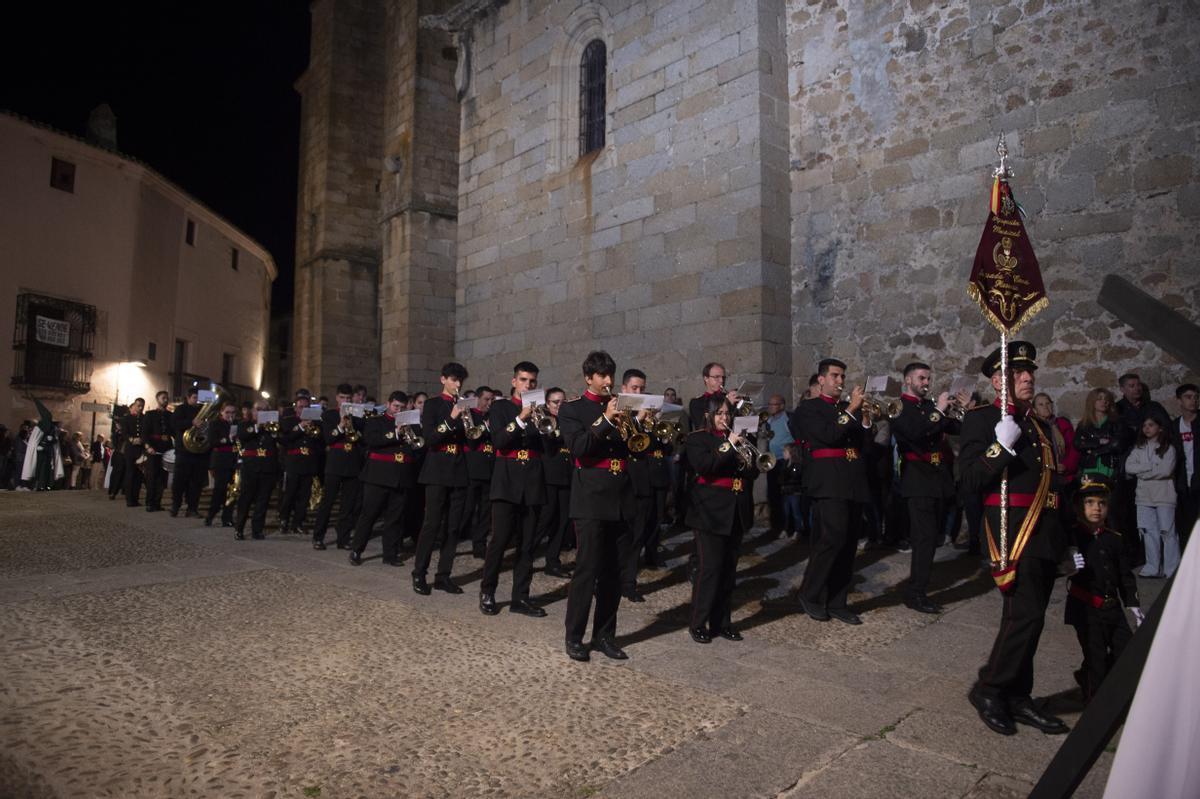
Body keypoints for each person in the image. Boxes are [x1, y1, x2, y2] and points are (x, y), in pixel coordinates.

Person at [962, 341, 1069, 737]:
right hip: (1013, 531)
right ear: (996, 380)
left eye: (1030, 373)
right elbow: (970, 479)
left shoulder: (1038, 424)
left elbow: (1053, 482)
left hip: (1044, 531)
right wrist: (1000, 445)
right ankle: (989, 689)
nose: (1028, 378)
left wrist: (1068, 538)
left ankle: (1019, 694)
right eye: (1017, 373)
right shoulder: (983, 419)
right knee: (1023, 616)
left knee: (1034, 619)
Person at [559, 350, 635, 662]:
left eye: (610, 375)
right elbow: (579, 447)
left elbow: (638, 449)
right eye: (602, 375)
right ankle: (574, 636)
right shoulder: (573, 409)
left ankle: (604, 635)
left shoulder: (621, 407)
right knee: (587, 570)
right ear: (589, 377)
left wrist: (641, 423)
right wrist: (606, 419)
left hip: (620, 496)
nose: (607, 381)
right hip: (589, 497)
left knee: (614, 573)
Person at [794, 358, 871, 625]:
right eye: (836, 376)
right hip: (828, 482)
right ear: (822, 380)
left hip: (852, 479)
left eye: (842, 376)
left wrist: (866, 419)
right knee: (832, 539)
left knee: (849, 544)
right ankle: (810, 593)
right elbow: (828, 435)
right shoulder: (809, 408)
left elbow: (861, 442)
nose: (841, 381)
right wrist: (851, 408)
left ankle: (838, 602)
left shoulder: (844, 409)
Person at [892, 362, 967, 614]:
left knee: (932, 539)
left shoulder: (927, 406)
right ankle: (915, 593)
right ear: (908, 380)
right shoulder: (900, 407)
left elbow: (955, 428)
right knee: (923, 539)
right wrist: (939, 409)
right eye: (921, 378)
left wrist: (964, 410)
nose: (926, 382)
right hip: (917, 479)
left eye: (928, 378)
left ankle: (919, 586)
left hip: (937, 479)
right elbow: (916, 433)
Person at [686, 394, 758, 643]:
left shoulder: (740, 439)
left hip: (736, 509)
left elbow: (753, 471)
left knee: (728, 571)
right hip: (709, 511)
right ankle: (698, 622)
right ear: (708, 415)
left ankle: (722, 623)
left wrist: (745, 454)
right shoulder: (697, 439)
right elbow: (706, 466)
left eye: (727, 413)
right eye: (719, 413)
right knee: (710, 569)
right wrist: (729, 443)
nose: (724, 418)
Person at [479, 362, 549, 618]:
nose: (528, 385)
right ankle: (488, 591)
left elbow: (547, 446)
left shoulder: (540, 411)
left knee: (527, 544)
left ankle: (520, 597)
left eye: (532, 381)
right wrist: (521, 418)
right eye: (523, 380)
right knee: (499, 540)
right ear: (513, 381)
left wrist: (547, 420)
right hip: (506, 480)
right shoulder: (501, 408)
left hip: (532, 481)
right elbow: (498, 440)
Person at [1065, 478, 1141, 703]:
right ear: (1080, 506)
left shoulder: (1114, 539)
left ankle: (1114, 692)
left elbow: (1124, 575)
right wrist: (1066, 566)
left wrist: (1133, 603)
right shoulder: (1074, 536)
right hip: (1086, 608)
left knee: (1127, 652)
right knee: (1095, 656)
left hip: (1112, 608)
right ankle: (1094, 703)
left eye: (1101, 503)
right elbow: (1061, 565)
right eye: (1089, 502)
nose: (1096, 508)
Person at [412, 362, 471, 596]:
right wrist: (452, 417)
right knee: (432, 524)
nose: (458, 385)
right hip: (436, 469)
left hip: (458, 469)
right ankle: (419, 573)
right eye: (454, 380)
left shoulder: (463, 405)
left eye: (460, 381)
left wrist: (470, 422)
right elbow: (430, 438)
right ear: (443, 379)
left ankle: (443, 576)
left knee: (454, 527)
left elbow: (471, 440)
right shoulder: (433, 404)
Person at [350, 391, 418, 567]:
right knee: (369, 515)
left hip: (400, 477)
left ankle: (390, 554)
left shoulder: (412, 425)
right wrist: (395, 433)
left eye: (402, 408)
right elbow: (371, 440)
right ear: (388, 404)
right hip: (378, 476)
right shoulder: (375, 421)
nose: (398, 410)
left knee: (394, 518)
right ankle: (357, 550)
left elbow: (417, 447)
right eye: (396, 406)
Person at [618, 368, 669, 602]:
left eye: (642, 388)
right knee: (620, 536)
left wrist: (657, 425)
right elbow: (624, 442)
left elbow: (657, 447)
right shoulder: (617, 412)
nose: (639, 392)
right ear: (624, 389)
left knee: (638, 535)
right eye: (634, 388)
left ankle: (628, 583)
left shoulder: (647, 417)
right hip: (623, 482)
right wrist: (638, 418)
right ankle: (609, 579)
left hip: (645, 481)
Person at [1125, 412, 1178, 578]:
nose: (1147, 428)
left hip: (1164, 495)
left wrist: (1143, 471)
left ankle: (1172, 568)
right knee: (1148, 531)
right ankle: (1152, 566)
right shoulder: (1138, 449)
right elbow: (1129, 468)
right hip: (1143, 496)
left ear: (1160, 428)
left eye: (1151, 425)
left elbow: (1165, 470)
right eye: (1145, 425)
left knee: (1167, 532)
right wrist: (1150, 466)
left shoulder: (1168, 448)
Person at [312, 384, 364, 550]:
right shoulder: (329, 415)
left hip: (353, 464)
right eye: (342, 398)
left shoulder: (358, 416)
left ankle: (343, 538)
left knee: (348, 505)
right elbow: (328, 438)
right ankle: (318, 537)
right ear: (337, 398)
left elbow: (363, 440)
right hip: (335, 463)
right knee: (328, 503)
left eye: (348, 398)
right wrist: (341, 425)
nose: (346, 401)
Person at [533, 387, 574, 578]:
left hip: (567, 475)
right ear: (547, 404)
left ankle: (553, 561)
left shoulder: (568, 420)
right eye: (555, 402)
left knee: (562, 520)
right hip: (549, 476)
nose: (559, 405)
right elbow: (547, 447)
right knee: (545, 519)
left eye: (562, 401)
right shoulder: (544, 420)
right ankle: (527, 555)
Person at [277, 389, 323, 535]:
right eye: (301, 407)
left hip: (308, 462)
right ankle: (284, 520)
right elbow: (285, 439)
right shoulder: (288, 421)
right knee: (289, 493)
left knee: (304, 496)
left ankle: (298, 522)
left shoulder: (316, 423)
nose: (303, 410)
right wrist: (301, 427)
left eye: (306, 407)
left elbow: (320, 442)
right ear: (296, 408)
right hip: (293, 462)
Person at [235, 400, 281, 540]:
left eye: (265, 410)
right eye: (258, 409)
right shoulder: (244, 425)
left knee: (263, 500)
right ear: (252, 411)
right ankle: (239, 529)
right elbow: (243, 436)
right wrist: (257, 427)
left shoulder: (271, 427)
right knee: (245, 499)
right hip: (250, 466)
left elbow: (279, 441)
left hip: (267, 467)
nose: (261, 412)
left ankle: (257, 530)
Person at [463, 386, 496, 559]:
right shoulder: (470, 415)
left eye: (492, 400)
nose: (489, 403)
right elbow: (471, 440)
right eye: (486, 399)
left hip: (490, 470)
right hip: (472, 469)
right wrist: (485, 427)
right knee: (466, 509)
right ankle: (453, 539)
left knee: (485, 512)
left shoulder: (493, 416)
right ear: (477, 399)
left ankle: (479, 545)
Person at [170, 387, 208, 517]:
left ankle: (192, 508)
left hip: (200, 451)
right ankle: (175, 506)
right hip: (184, 451)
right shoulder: (181, 409)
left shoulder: (204, 410)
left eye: (199, 398)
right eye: (194, 398)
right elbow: (174, 424)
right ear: (188, 398)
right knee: (179, 480)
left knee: (196, 482)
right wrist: (191, 422)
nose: (197, 400)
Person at [1032, 392, 1079, 490]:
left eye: (1048, 403)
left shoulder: (1063, 424)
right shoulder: (1033, 427)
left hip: (1064, 476)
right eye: (1041, 404)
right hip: (1042, 477)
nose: (1045, 407)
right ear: (1035, 410)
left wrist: (1065, 466)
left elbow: (1073, 449)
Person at [763, 394, 793, 538]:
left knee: (785, 495)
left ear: (781, 405)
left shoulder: (787, 418)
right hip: (771, 461)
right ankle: (776, 525)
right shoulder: (768, 420)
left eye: (773, 404)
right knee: (772, 494)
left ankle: (787, 526)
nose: (770, 407)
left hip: (783, 461)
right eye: (769, 404)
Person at [1172, 383, 1199, 546]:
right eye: (1188, 397)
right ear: (1179, 400)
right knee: (1187, 525)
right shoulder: (1175, 426)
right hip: (1183, 483)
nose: (1193, 401)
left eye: (1196, 397)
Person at [205, 401, 239, 528]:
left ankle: (227, 517)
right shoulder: (215, 424)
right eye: (227, 412)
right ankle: (211, 515)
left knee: (232, 491)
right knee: (219, 490)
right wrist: (227, 439)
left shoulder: (237, 424)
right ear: (221, 412)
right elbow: (212, 441)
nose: (230, 415)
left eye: (233, 412)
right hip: (220, 461)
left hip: (234, 461)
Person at [142, 391, 173, 512]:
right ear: (157, 399)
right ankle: (150, 502)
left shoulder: (170, 415)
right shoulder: (150, 415)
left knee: (162, 477)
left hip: (166, 449)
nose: (165, 400)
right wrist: (148, 446)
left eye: (167, 398)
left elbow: (173, 431)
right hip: (153, 449)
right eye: (163, 398)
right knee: (152, 477)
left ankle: (157, 502)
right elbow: (145, 433)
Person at [119, 398, 147, 506]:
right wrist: (131, 439)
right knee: (130, 473)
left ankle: (136, 498)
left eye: (142, 406)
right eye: (138, 405)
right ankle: (129, 499)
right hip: (130, 449)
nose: (140, 408)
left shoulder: (145, 418)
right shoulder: (127, 419)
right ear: (134, 406)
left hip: (141, 450)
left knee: (139, 475)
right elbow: (124, 433)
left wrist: (142, 440)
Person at [779, 443, 804, 537]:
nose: (783, 453)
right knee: (786, 513)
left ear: (791, 453)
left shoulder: (797, 465)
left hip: (794, 492)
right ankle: (785, 530)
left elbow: (795, 478)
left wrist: (786, 475)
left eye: (785, 451)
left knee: (795, 513)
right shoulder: (784, 464)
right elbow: (781, 479)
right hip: (785, 492)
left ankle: (798, 531)